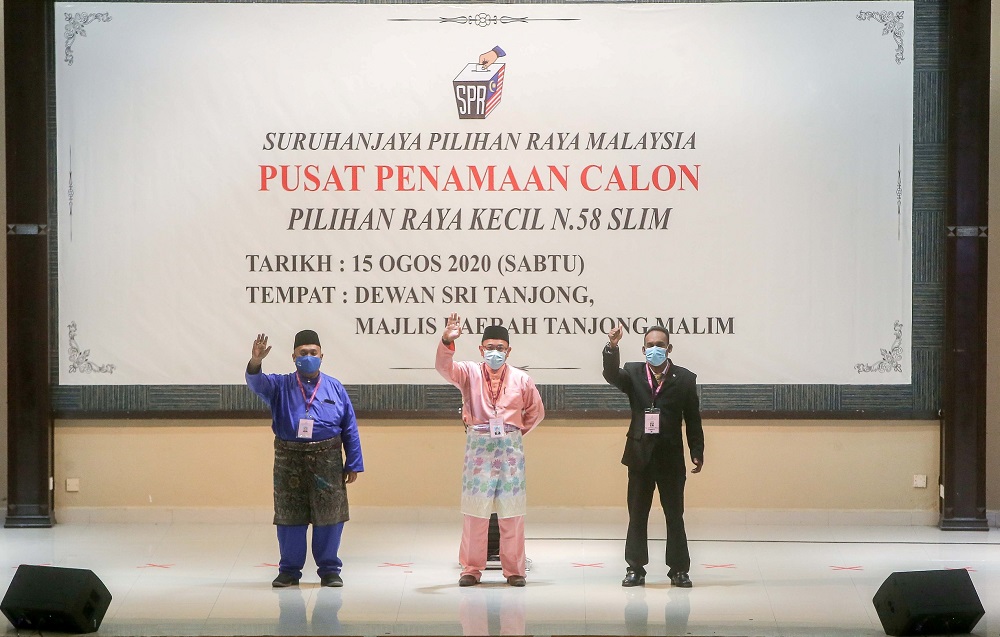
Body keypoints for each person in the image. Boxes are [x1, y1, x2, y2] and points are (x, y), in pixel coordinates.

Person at [245, 330, 364, 588]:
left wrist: (353, 463)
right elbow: (256, 383)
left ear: (321, 356)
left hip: (328, 459)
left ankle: (329, 571)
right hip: (289, 459)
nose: (308, 357)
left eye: (313, 353)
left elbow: (349, 427)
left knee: (330, 516)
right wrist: (255, 361)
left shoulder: (335, 387)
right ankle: (289, 571)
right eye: (303, 353)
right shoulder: (280, 385)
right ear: (293, 357)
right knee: (290, 516)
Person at [436, 313, 545, 587]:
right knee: (475, 511)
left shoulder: (522, 379)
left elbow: (536, 412)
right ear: (481, 349)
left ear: (509, 351)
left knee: (512, 512)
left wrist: (515, 433)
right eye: (490, 347)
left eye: (500, 348)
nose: (495, 352)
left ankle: (515, 570)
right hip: (479, 448)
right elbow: (444, 368)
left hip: (510, 450)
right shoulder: (469, 373)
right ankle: (471, 569)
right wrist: (447, 341)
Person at [602, 324, 704, 588]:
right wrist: (612, 346)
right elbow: (611, 374)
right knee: (637, 514)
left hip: (670, 457)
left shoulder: (685, 378)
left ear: (669, 348)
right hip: (640, 456)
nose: (655, 349)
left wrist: (696, 451)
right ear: (643, 349)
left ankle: (679, 570)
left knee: (674, 515)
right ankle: (635, 568)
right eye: (650, 345)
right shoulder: (633, 373)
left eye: (660, 345)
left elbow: (693, 419)